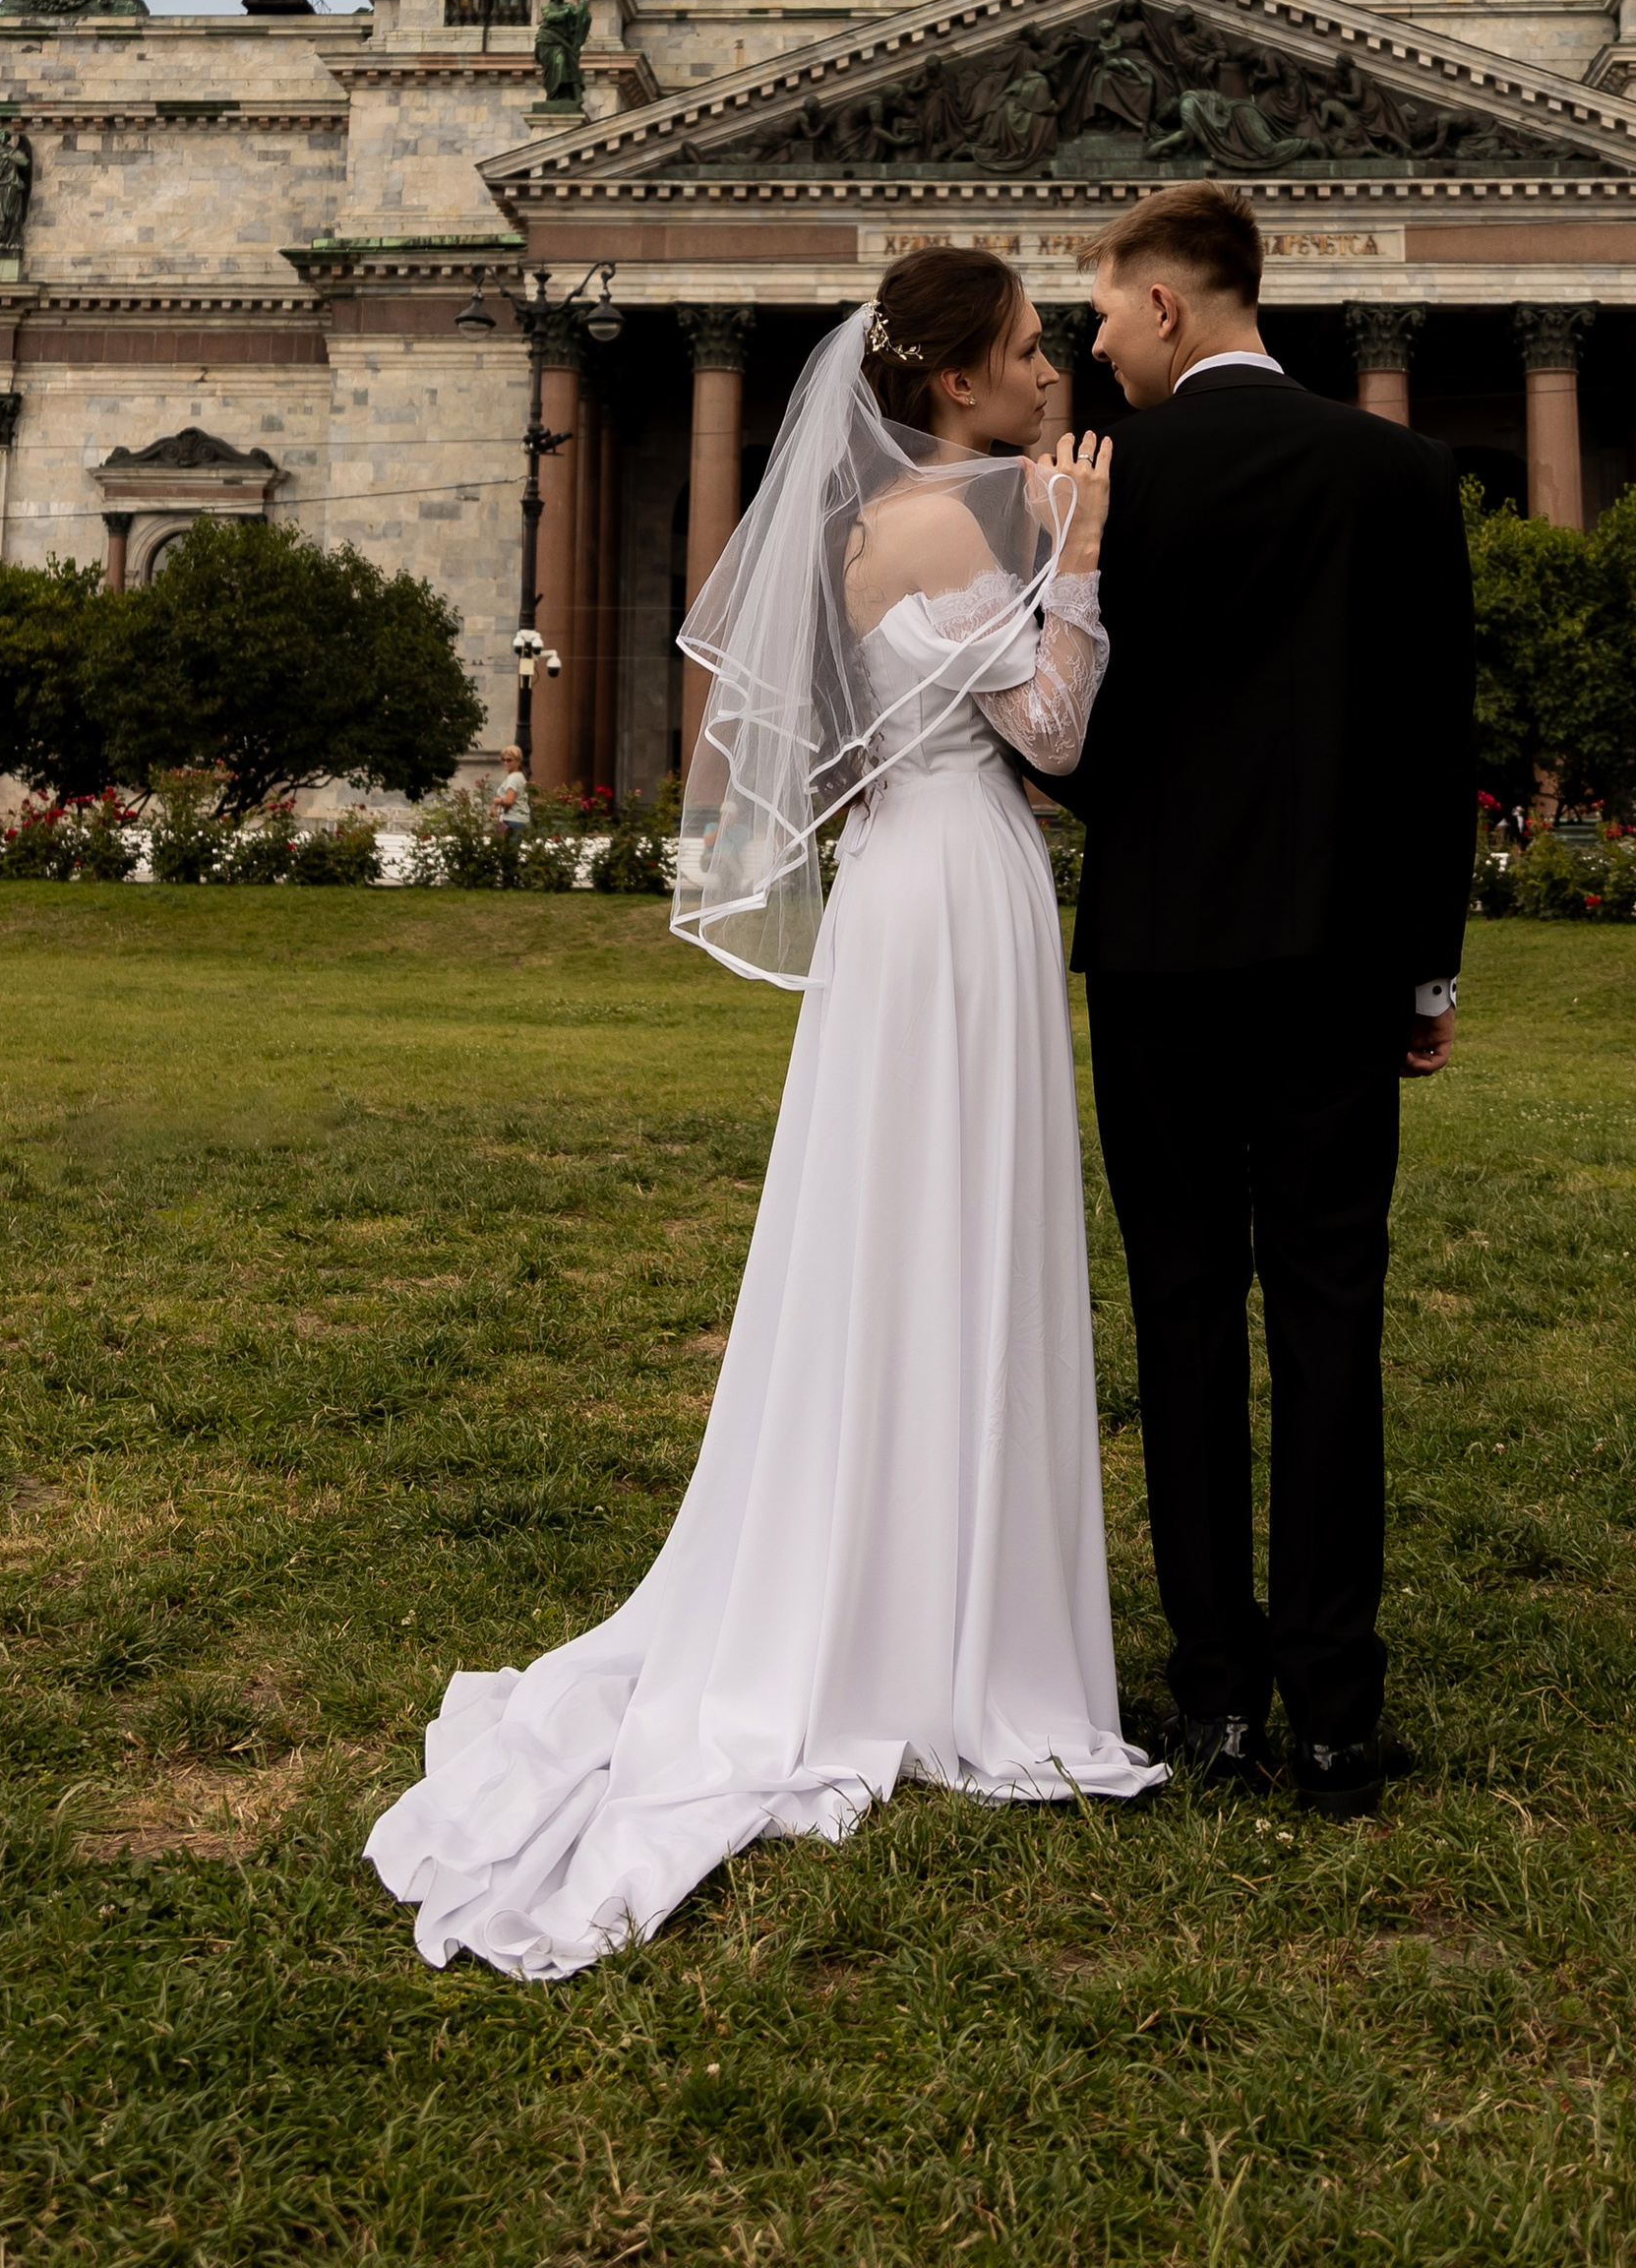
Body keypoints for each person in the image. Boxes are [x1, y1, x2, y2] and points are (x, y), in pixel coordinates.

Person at [365, 252, 1159, 1981]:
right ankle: (957, 1635)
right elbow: (1056, 733)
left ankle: (886, 1580)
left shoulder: (869, 525)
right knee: (962, 1230)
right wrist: (1082, 559)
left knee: (891, 1239)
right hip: (961, 891)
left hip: (904, 895)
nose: (1053, 376)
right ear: (952, 382)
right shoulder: (986, 519)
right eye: (1029, 351)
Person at [1058, 180, 1473, 1818]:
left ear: (1169, 306)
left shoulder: (1099, 487)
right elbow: (1434, 755)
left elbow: (1069, 736)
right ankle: (1333, 1719)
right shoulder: (1397, 473)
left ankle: (1214, 1697)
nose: (1093, 345)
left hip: (1158, 962)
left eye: (1101, 312)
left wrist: (1158, 829)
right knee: (1328, 1320)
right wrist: (1423, 969)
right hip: (1334, 966)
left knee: (1179, 1314)